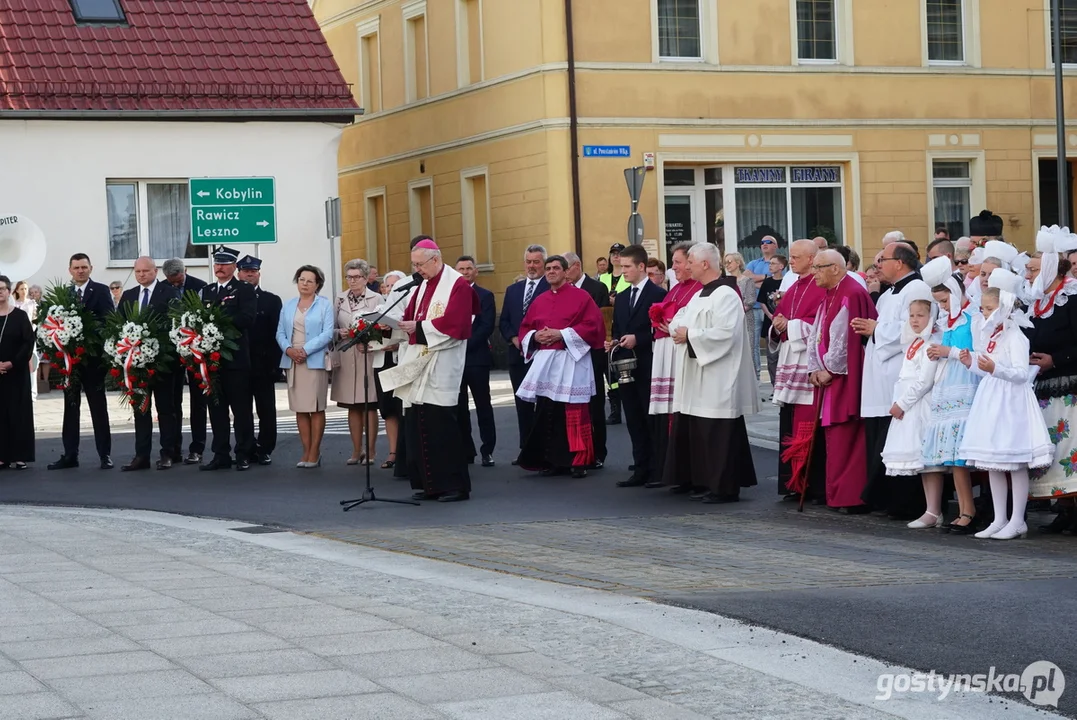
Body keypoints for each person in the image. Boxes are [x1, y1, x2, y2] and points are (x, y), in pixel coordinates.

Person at [381, 238, 478, 502]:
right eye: (414, 265)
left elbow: (458, 325)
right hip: (418, 363)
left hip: (441, 364)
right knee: (417, 425)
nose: (417, 270)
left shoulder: (457, 285)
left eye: (420, 264)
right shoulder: (421, 285)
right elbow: (409, 318)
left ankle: (454, 486)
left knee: (441, 429)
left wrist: (420, 328)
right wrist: (389, 330)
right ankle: (429, 484)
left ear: (435, 259)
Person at [959, 272, 1053, 540]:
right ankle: (999, 518)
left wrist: (995, 368)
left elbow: (1021, 373)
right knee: (994, 462)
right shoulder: (993, 336)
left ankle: (1017, 519)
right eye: (983, 309)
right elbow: (987, 369)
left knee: (1014, 462)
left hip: (1011, 402)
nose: (985, 314)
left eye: (989, 309)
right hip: (991, 399)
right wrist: (972, 364)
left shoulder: (1016, 337)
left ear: (1004, 310)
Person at [664, 242, 759, 502]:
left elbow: (726, 334)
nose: (686, 266)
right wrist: (679, 329)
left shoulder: (727, 295)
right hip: (698, 374)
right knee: (699, 429)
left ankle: (724, 487)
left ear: (705, 264)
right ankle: (703, 481)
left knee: (717, 432)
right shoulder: (700, 294)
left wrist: (690, 334)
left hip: (718, 376)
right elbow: (680, 319)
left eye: (691, 261)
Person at [516, 255, 606, 478]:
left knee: (573, 411)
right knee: (548, 411)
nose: (551, 272)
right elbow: (525, 328)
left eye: (556, 268)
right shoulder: (540, 300)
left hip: (571, 360)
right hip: (547, 362)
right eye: (548, 268)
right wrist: (536, 336)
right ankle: (553, 460)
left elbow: (594, 326)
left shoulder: (582, 297)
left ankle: (578, 461)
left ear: (566, 272)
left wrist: (562, 334)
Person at [857, 241, 929, 518]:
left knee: (900, 438)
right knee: (880, 438)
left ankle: (905, 502)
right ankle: (885, 499)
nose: (878, 265)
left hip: (900, 372)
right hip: (880, 375)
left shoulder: (917, 289)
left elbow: (916, 327)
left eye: (882, 259)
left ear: (899, 262)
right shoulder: (889, 293)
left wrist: (877, 329)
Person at [807, 250, 877, 511]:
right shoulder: (831, 291)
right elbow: (818, 333)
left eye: (818, 268)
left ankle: (852, 496)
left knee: (848, 438)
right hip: (831, 375)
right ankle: (836, 494)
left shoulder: (852, 292)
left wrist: (831, 370)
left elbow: (849, 341)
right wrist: (814, 366)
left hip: (848, 378)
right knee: (835, 439)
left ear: (835, 268)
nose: (814, 273)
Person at [918, 256, 980, 534]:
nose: (942, 307)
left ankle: (975, 509)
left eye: (945, 301)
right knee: (953, 453)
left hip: (969, 384)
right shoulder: (948, 321)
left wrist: (948, 352)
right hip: (948, 384)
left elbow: (979, 352)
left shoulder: (975, 317)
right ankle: (966, 508)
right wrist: (937, 350)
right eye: (940, 303)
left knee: (968, 450)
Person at [1025, 227, 1077, 533]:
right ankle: (1065, 508)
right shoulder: (1036, 302)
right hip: (1044, 386)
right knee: (1054, 452)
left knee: (1072, 449)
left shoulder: (1072, 298)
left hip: (1070, 384)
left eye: (1033, 269)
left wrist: (1055, 360)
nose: (1029, 275)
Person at [770, 240, 827, 499]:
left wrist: (789, 325)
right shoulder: (793, 286)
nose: (790, 261)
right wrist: (779, 325)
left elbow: (820, 325)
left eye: (795, 257)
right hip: (790, 359)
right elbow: (780, 319)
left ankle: (810, 485)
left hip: (808, 364)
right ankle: (793, 483)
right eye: (791, 257)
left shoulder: (820, 287)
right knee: (790, 422)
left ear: (812, 258)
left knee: (807, 424)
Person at [48, 253, 114, 471]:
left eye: (84, 267)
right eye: (76, 267)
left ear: (91, 268)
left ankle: (105, 454)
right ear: (70, 270)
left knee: (98, 407)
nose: (80, 271)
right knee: (70, 408)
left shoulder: (101, 290)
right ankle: (70, 454)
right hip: (70, 362)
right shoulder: (64, 294)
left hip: (93, 360)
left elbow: (108, 321)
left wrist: (87, 334)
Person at [116, 256, 181, 471]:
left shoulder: (169, 293)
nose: (142, 274)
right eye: (138, 271)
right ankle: (141, 455)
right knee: (141, 410)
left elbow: (177, 324)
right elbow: (119, 326)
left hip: (162, 362)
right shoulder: (129, 295)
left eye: (146, 271)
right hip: (136, 365)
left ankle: (168, 453)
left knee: (165, 409)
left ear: (155, 271)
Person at [610, 244, 667, 487]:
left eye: (626, 266)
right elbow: (618, 328)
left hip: (648, 364)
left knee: (649, 417)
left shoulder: (658, 295)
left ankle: (657, 469)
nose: (622, 271)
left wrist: (639, 338)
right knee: (632, 418)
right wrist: (613, 341)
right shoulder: (622, 297)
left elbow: (661, 330)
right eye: (621, 266)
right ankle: (640, 467)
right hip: (626, 366)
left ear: (641, 267)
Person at [647, 241, 703, 489]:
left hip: (681, 355)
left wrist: (669, 324)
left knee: (681, 413)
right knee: (668, 414)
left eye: (678, 262)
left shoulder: (699, 290)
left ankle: (687, 473)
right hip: (665, 355)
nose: (674, 267)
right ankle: (669, 471)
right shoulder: (676, 289)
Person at [198, 247, 257, 471]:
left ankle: (243, 453)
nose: (220, 268)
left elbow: (247, 318)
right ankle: (220, 454)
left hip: (235, 360)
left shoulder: (243, 289)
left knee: (241, 410)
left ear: (234, 266)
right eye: (217, 263)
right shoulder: (208, 290)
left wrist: (218, 324)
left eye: (224, 263)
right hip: (212, 362)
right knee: (217, 409)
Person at [277, 265, 334, 468]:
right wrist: (289, 350)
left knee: (315, 407)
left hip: (314, 359)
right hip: (292, 359)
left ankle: (315, 451)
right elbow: (280, 333)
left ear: (317, 284)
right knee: (300, 409)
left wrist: (305, 350)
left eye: (310, 281)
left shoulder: (324, 305)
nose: (305, 284)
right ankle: (306, 450)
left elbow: (327, 333)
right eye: (301, 279)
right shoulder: (289, 305)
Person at [880, 294, 937, 489]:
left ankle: (932, 508)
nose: (914, 320)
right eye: (911, 315)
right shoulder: (914, 343)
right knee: (916, 460)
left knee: (924, 457)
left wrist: (902, 404)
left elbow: (924, 381)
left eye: (920, 315)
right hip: (906, 404)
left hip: (918, 405)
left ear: (931, 317)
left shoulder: (930, 344)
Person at [332, 258, 383, 465]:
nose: (352, 281)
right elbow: (330, 327)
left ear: (365, 278)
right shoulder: (340, 299)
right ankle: (356, 450)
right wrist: (339, 332)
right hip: (346, 354)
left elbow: (383, 327)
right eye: (349, 277)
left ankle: (371, 451)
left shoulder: (377, 299)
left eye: (357, 277)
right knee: (352, 405)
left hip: (367, 354)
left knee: (369, 405)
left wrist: (369, 338)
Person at [500, 245, 549, 453]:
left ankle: (544, 449)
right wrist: (513, 338)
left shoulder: (550, 287)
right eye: (528, 262)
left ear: (544, 264)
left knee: (544, 404)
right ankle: (526, 450)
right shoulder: (513, 290)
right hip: (517, 355)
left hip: (542, 355)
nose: (532, 266)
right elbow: (504, 321)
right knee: (522, 404)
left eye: (536, 262)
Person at [565, 251, 611, 467]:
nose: (564, 273)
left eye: (566, 268)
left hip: (592, 353)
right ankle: (576, 449)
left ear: (576, 265)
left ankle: (599, 452)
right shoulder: (562, 290)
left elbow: (600, 322)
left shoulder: (596, 288)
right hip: (568, 355)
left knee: (595, 404)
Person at [237, 256, 283, 466]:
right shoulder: (231, 298)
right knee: (242, 411)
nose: (249, 274)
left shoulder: (271, 300)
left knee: (266, 410)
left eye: (253, 271)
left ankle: (265, 448)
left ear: (259, 274)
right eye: (245, 271)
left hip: (263, 364)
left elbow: (277, 334)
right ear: (238, 273)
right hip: (238, 365)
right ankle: (245, 448)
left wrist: (275, 365)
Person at [163, 257, 208, 465]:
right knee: (172, 402)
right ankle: (174, 448)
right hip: (172, 353)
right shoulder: (162, 289)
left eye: (178, 278)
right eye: (170, 280)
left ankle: (197, 448)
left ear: (185, 270)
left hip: (196, 350)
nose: (174, 284)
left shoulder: (200, 287)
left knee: (199, 401)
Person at [455, 256, 497, 467]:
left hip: (476, 358)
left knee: (483, 405)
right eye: (461, 269)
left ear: (475, 271)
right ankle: (465, 449)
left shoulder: (485, 296)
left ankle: (487, 450)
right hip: (454, 360)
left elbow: (486, 326)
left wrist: (465, 346)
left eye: (469, 268)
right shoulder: (449, 296)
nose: (465, 272)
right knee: (459, 406)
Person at [373, 271, 408, 469]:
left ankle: (405, 452)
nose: (391, 289)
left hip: (401, 361)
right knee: (387, 410)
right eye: (388, 286)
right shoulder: (378, 309)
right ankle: (393, 452)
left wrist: (398, 344)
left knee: (401, 407)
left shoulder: (408, 308)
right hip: (381, 362)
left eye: (396, 286)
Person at [0, 275, 35, 470]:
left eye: (3, 289)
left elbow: (28, 342)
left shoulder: (20, 316)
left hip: (16, 372)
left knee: (18, 413)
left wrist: (12, 363)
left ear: (9, 290)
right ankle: (2, 456)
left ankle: (20, 456)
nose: (0, 293)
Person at [724, 252, 760, 380]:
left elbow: (750, 300)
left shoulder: (747, 280)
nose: (727, 265)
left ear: (738, 263)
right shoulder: (725, 282)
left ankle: (753, 382)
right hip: (729, 320)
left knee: (749, 350)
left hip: (745, 318)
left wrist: (737, 311)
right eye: (726, 262)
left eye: (730, 261)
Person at [759, 255, 787, 385]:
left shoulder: (786, 281)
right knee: (771, 357)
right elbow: (762, 301)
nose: (770, 266)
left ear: (781, 266)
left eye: (773, 263)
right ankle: (774, 384)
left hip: (783, 323)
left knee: (784, 355)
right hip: (770, 321)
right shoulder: (767, 282)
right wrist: (770, 315)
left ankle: (783, 383)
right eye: (770, 263)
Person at [12, 281, 39, 403]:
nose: (24, 291)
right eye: (22, 289)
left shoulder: (32, 304)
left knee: (32, 363)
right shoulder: (14, 305)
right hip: (17, 338)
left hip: (29, 336)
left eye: (26, 288)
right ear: (17, 290)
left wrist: (29, 332)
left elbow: (35, 320)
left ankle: (32, 393)